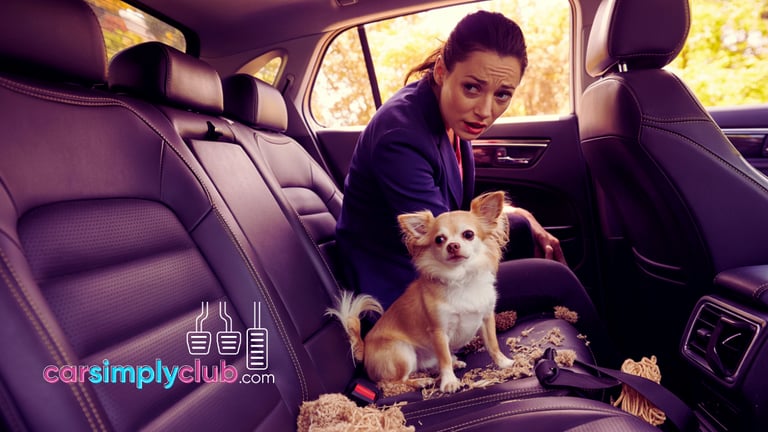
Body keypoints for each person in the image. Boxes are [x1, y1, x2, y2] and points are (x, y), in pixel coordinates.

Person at [335, 11, 593, 325]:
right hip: (402, 290)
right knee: (554, 280)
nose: (485, 111)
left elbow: (452, 215)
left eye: (502, 95)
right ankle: (610, 358)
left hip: (435, 262)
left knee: (524, 231)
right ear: (441, 70)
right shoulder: (400, 138)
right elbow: (443, 244)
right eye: (472, 88)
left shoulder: (446, 114)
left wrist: (520, 215)